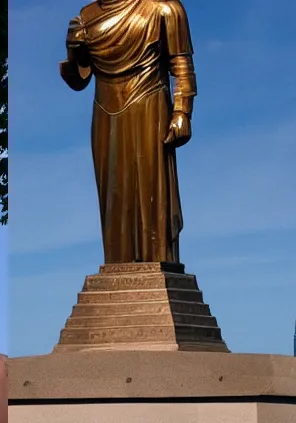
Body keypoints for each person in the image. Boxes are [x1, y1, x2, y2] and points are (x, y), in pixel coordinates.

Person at [60, 0, 197, 264]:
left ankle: (157, 263)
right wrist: (74, 53)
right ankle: (118, 266)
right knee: (114, 195)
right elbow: (78, 80)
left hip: (149, 105)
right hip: (105, 113)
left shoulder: (163, 8)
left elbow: (181, 65)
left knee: (152, 191)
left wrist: (182, 112)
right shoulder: (87, 16)